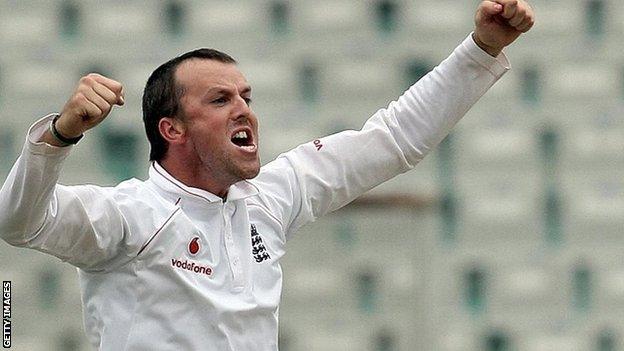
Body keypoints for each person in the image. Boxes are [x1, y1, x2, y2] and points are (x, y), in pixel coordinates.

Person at [0, 1, 534, 350]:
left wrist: (481, 49)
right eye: (220, 99)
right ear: (173, 129)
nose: (244, 110)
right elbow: (18, 223)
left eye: (246, 97)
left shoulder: (273, 196)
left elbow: (393, 140)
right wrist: (59, 136)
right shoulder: (129, 215)